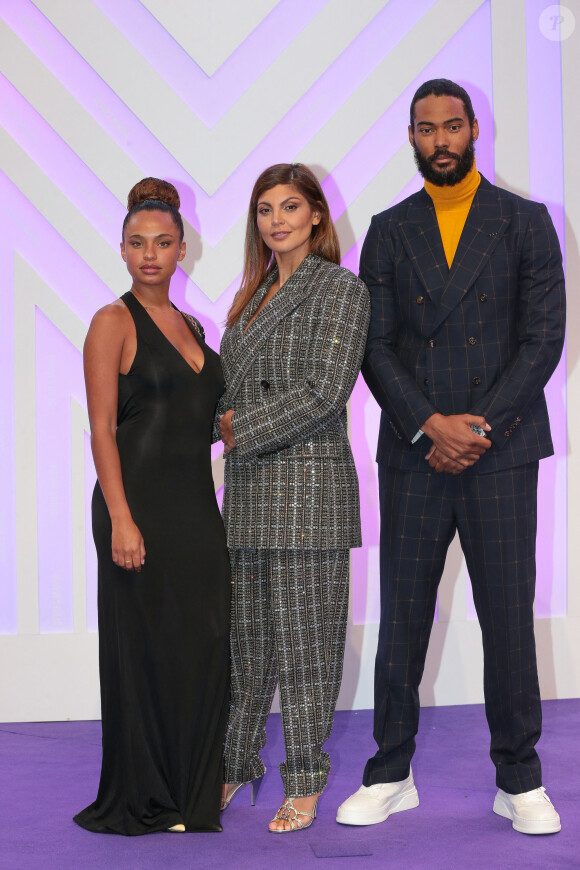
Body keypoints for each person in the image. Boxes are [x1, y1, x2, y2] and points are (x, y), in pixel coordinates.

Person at [336, 79, 565, 835]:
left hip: (499, 453)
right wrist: (429, 424)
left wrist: (476, 428)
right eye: (426, 128)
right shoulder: (389, 229)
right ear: (411, 137)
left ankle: (520, 779)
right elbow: (376, 345)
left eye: (453, 126)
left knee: (506, 616)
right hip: (415, 453)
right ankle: (390, 772)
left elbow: (544, 340)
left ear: (474, 131)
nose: (441, 140)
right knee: (402, 617)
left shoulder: (526, 223)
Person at [74, 178, 230, 835]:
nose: (150, 255)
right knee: (145, 653)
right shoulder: (112, 321)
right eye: (137, 243)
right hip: (133, 507)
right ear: (120, 250)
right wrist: (122, 518)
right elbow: (102, 428)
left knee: (202, 647)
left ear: (183, 249)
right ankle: (149, 797)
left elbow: (211, 422)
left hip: (196, 509)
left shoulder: (193, 326)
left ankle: (193, 791)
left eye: (163, 243)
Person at [217, 163, 370, 832]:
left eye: (289, 206)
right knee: (246, 647)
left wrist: (235, 430)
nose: (275, 220)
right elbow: (229, 390)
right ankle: (233, 763)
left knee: (307, 649)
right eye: (264, 210)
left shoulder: (341, 289)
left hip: (309, 497)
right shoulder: (248, 299)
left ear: (314, 215)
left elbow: (323, 392)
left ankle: (305, 780)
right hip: (249, 495)